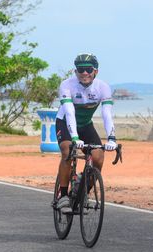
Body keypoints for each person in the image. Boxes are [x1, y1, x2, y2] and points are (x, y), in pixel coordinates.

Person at [55, 53, 117, 213]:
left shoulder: (102, 87)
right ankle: (63, 196)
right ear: (75, 71)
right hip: (65, 122)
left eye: (88, 69)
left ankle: (84, 192)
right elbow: (69, 112)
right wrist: (75, 137)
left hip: (86, 125)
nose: (84, 73)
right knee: (68, 151)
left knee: (98, 157)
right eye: (80, 70)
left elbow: (107, 114)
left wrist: (111, 138)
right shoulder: (67, 85)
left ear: (95, 71)